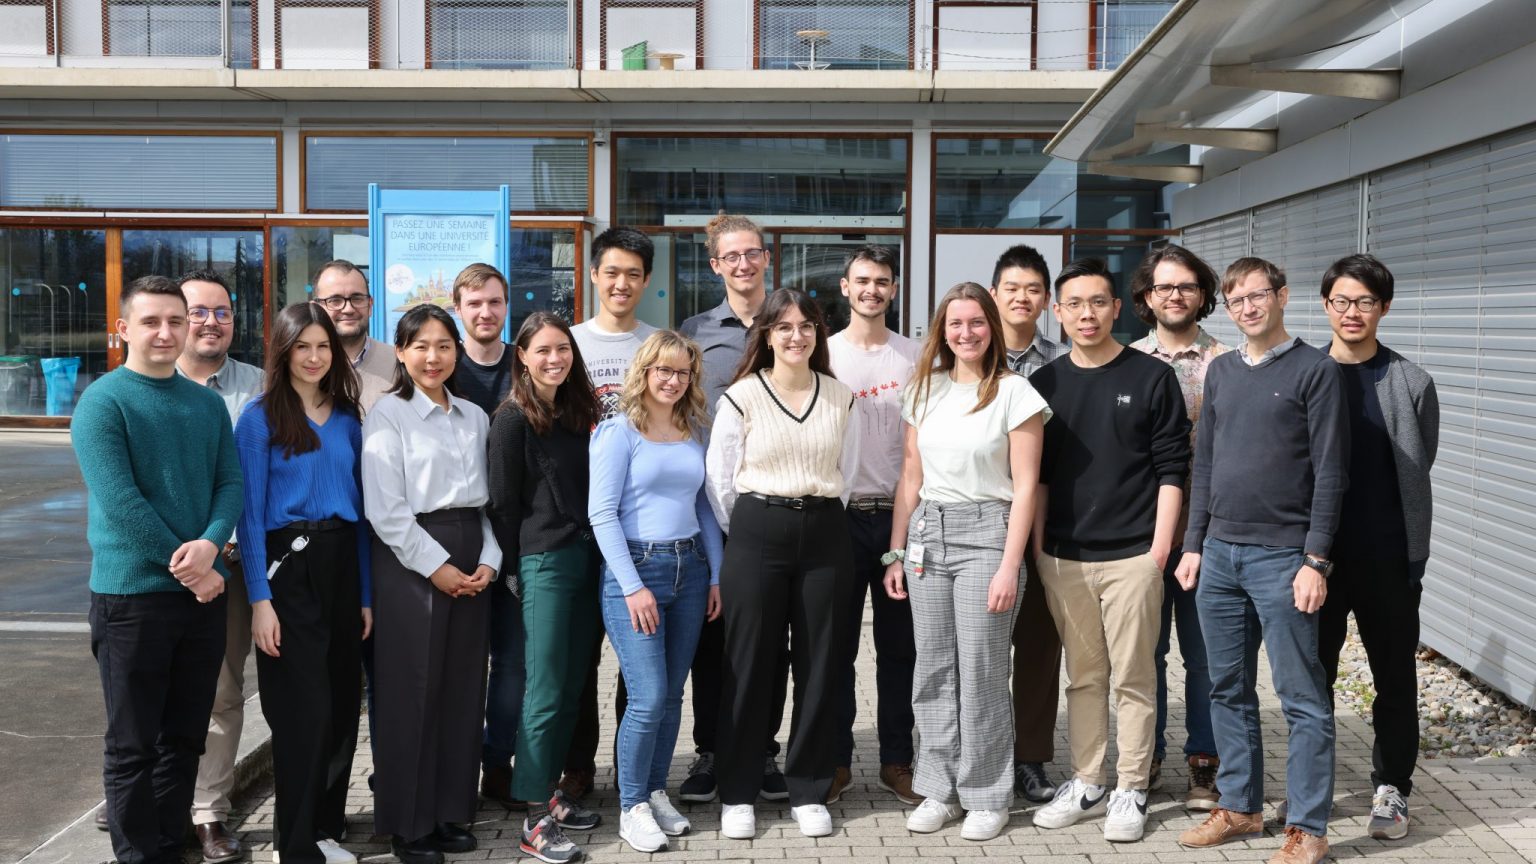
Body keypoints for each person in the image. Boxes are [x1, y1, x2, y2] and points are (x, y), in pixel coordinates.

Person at [1175, 257, 1348, 864]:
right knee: (1227, 687)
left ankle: (1307, 827)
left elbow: (1331, 472)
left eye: (1258, 296)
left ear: (1281, 296)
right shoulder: (1220, 371)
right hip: (1219, 554)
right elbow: (1206, 464)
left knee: (1301, 696)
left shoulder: (1316, 370)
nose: (1248, 307)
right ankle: (1241, 807)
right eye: (1236, 299)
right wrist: (1194, 544)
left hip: (1284, 558)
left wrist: (1316, 560)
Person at [74, 274, 243, 864]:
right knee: (132, 744)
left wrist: (213, 542)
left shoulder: (206, 403)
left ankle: (175, 846)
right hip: (133, 599)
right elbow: (121, 504)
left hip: (200, 598)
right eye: (151, 321)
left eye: (178, 320)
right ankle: (138, 854)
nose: (168, 331)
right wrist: (194, 565)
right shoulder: (103, 401)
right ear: (122, 330)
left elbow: (230, 481)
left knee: (184, 738)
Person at [1028, 259, 1192, 843]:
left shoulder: (1151, 377)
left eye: (1098, 302)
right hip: (1064, 557)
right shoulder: (1044, 384)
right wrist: (1042, 552)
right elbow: (1039, 477)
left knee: (1133, 676)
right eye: (1074, 304)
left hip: (1134, 557)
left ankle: (1131, 785)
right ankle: (1088, 778)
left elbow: (1173, 469)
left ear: (1118, 308)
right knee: (1084, 676)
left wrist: (1158, 551)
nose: (1087, 314)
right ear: (1059, 311)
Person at [884, 282, 1047, 842]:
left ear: (991, 328)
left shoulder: (1014, 392)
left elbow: (1025, 488)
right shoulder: (922, 391)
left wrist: (1009, 564)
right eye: (956, 323)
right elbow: (909, 477)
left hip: (988, 535)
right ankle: (938, 787)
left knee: (980, 670)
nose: (966, 333)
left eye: (977, 322)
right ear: (942, 331)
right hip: (929, 533)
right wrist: (897, 552)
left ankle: (985, 793)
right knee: (931, 668)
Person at [705, 289, 859, 841]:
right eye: (784, 327)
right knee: (749, 663)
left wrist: (812, 514)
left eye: (807, 327)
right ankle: (739, 790)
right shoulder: (740, 398)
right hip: (756, 530)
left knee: (820, 663)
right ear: (765, 334)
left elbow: (850, 470)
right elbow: (720, 483)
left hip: (824, 532)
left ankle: (809, 787)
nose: (797, 337)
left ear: (818, 335)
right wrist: (754, 527)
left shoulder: (842, 397)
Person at [362, 304, 502, 864]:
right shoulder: (387, 416)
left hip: (472, 550)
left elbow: (488, 503)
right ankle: (408, 824)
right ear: (400, 352)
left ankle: (448, 812)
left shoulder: (475, 415)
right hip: (412, 559)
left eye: (444, 345)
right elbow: (387, 511)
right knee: (411, 691)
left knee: (463, 689)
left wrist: (488, 560)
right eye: (421, 345)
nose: (433, 356)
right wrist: (437, 567)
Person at [235, 303, 371, 864]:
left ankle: (324, 829)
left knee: (342, 707)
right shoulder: (259, 416)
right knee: (302, 711)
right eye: (302, 346)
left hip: (342, 562)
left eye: (323, 347)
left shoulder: (347, 418)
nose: (314, 357)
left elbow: (361, 513)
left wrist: (365, 595)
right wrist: (260, 602)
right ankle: (292, 846)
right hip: (286, 567)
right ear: (284, 351)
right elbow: (246, 516)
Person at [1317, 254, 1438, 840]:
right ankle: (1310, 783)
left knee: (1394, 676)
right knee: (1311, 673)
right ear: (1325, 306)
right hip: (1317, 558)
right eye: (1341, 301)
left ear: (1383, 308)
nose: (1352, 312)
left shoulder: (1412, 381)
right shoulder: (1304, 373)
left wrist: (1411, 553)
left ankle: (1393, 787)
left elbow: (1420, 466)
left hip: (1389, 556)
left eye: (1365, 301)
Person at [589, 330, 723, 853]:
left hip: (690, 568)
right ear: (643, 372)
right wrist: (631, 587)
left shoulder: (693, 430)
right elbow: (601, 514)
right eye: (662, 370)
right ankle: (631, 806)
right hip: (636, 570)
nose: (671, 380)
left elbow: (706, 507)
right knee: (647, 697)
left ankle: (654, 790)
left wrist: (715, 575)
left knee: (671, 696)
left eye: (681, 372)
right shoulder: (617, 431)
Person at [677, 213, 788, 804]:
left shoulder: (792, 323)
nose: (743, 264)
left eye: (752, 253)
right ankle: (711, 752)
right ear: (715, 264)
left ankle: (765, 751)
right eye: (731, 256)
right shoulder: (695, 331)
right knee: (713, 641)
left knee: (772, 642)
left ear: (765, 257)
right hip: (712, 508)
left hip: (777, 505)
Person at [485, 311, 604, 864]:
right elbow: (504, 503)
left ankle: (551, 794)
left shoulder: (580, 412)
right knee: (547, 690)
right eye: (543, 351)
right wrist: (514, 570)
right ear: (523, 358)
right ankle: (533, 816)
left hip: (588, 558)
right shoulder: (512, 418)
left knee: (574, 686)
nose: (555, 359)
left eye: (563, 349)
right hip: (544, 564)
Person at [1127, 244, 1229, 810]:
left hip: (1211, 533)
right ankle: (1147, 759)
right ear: (1145, 296)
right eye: (1164, 287)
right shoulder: (1128, 361)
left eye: (1186, 286)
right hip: (1142, 533)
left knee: (1205, 654)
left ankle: (1204, 762)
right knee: (1145, 654)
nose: (1175, 295)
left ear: (1202, 295)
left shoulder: (1228, 361)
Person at [564, 226, 661, 802]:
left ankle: (634, 770)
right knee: (579, 660)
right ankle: (577, 767)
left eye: (634, 273)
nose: (622, 283)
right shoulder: (568, 343)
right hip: (577, 525)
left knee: (637, 662)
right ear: (594, 275)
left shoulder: (659, 344)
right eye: (612, 272)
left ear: (646, 281)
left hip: (642, 531)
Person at [173, 270, 264, 864]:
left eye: (222, 312)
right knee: (147, 692)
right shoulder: (141, 384)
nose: (211, 322)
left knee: (222, 693)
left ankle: (208, 811)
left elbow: (255, 480)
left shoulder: (259, 386)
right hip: (162, 567)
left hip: (232, 566)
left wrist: (221, 548)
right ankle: (153, 794)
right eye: (197, 312)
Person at [825, 244, 920, 805]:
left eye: (882, 281)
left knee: (900, 650)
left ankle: (897, 760)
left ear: (893, 289)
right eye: (862, 280)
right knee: (834, 650)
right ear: (844, 286)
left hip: (898, 519)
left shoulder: (912, 356)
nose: (872, 290)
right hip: (836, 519)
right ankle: (836, 761)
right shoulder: (824, 355)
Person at [441, 263, 526, 812]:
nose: (485, 313)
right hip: (461, 544)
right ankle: (448, 766)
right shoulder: (443, 366)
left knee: (515, 664)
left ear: (506, 304)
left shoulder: (527, 361)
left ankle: (498, 765)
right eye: (474, 304)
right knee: (460, 664)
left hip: (520, 542)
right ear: (458, 308)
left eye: (494, 302)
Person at [988, 244, 1068, 804]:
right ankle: (980, 753)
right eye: (1012, 287)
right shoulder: (966, 353)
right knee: (977, 647)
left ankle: (1030, 758)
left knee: (1039, 648)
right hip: (975, 522)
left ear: (1047, 301)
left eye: (1033, 289)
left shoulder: (1064, 362)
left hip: (1044, 524)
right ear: (994, 294)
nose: (1022, 297)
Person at [312, 260, 391, 410]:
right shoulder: (301, 367)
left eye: (357, 299)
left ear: (370, 305)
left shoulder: (400, 365)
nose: (348, 309)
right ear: (315, 309)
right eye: (335, 300)